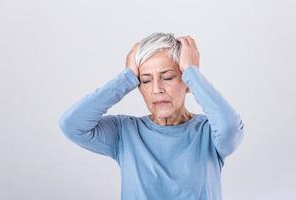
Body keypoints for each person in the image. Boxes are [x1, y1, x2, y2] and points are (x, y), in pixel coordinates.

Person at [59, 32, 244, 200]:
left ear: (186, 82)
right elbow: (71, 124)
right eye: (145, 80)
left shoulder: (209, 132)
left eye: (168, 77)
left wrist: (192, 72)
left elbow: (230, 129)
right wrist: (127, 76)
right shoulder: (125, 132)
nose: (156, 89)